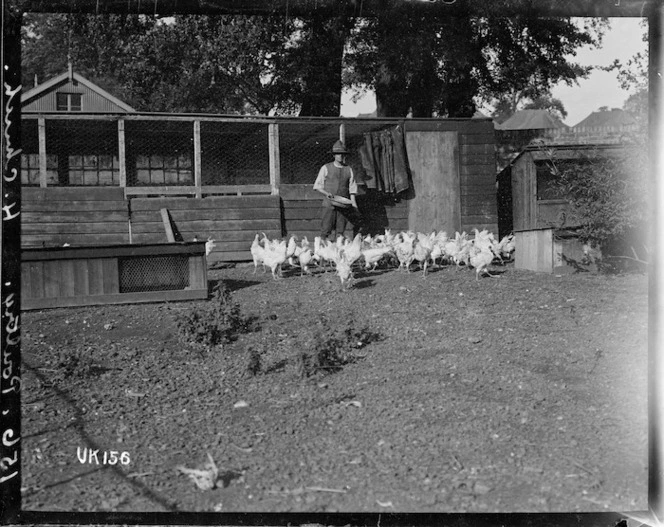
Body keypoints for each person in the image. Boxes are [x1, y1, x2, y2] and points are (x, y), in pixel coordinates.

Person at [313, 140, 363, 240]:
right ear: (334, 155)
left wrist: (354, 206)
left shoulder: (348, 169)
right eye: (337, 154)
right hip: (329, 203)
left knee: (340, 231)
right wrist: (327, 193)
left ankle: (338, 250)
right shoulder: (326, 168)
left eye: (342, 154)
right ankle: (322, 250)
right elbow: (317, 186)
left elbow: (352, 190)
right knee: (325, 229)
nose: (340, 156)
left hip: (343, 204)